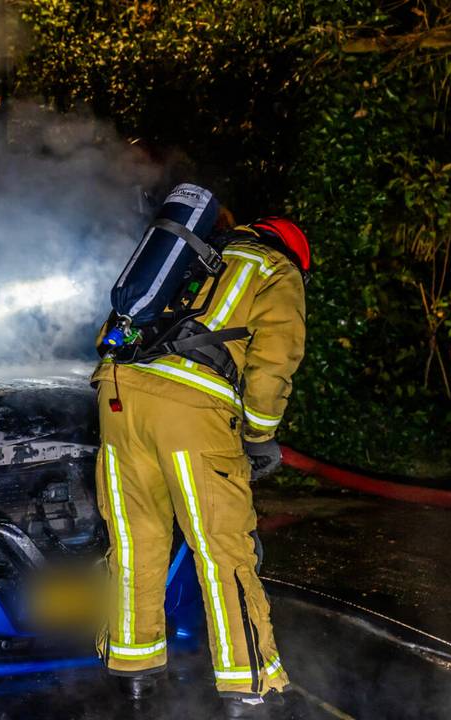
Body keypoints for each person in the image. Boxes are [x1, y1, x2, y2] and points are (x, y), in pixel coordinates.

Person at [92, 214, 310, 718]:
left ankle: (134, 674)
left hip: (118, 393)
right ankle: (250, 687)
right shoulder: (276, 269)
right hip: (191, 408)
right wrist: (259, 435)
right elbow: (272, 365)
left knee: (135, 540)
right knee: (221, 547)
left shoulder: (189, 256)